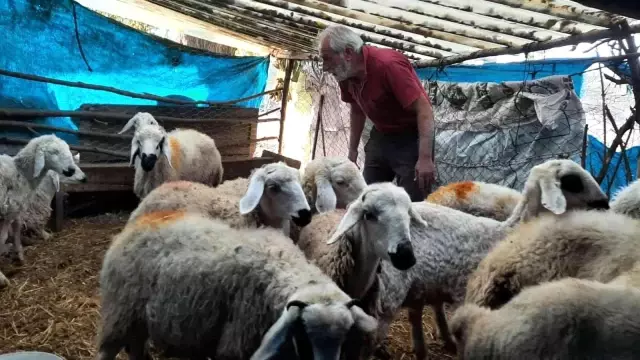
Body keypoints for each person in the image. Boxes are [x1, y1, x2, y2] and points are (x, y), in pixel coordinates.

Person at [316, 25, 437, 201]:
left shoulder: (388, 65)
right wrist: (352, 151)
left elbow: (424, 109)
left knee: (412, 200)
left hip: (411, 137)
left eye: (327, 59)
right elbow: (357, 110)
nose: (325, 67)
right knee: (367, 196)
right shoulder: (345, 73)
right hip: (381, 134)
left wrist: (425, 157)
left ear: (348, 53)